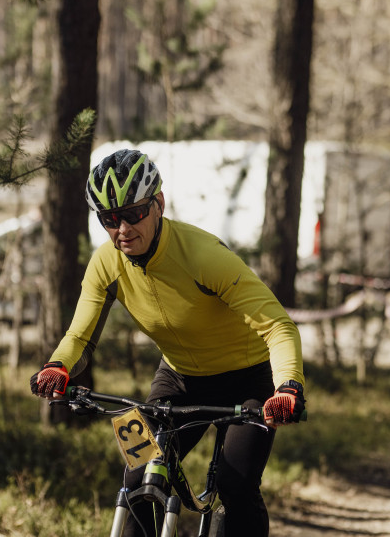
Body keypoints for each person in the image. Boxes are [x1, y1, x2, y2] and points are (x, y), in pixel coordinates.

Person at [29, 149, 306, 537]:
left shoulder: (204, 255)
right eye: (109, 219)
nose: (122, 229)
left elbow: (278, 326)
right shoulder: (105, 263)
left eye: (133, 214)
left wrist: (288, 386)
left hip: (250, 380)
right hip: (177, 377)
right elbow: (79, 335)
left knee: (235, 484)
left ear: (158, 204)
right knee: (138, 478)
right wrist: (57, 366)